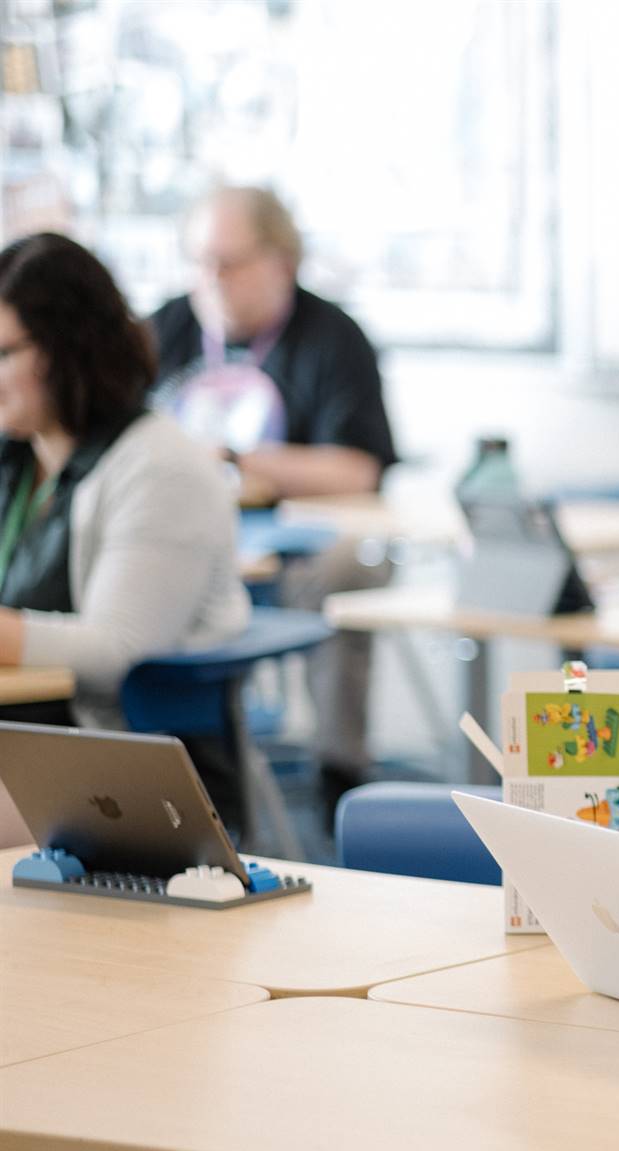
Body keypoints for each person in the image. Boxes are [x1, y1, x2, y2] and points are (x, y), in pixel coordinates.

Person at [150, 186, 400, 807]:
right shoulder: (168, 326)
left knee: (344, 568)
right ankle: (167, 774)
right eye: (200, 262)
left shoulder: (332, 337)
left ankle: (339, 772)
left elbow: (356, 470)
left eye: (229, 264)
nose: (213, 281)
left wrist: (235, 459)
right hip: (187, 534)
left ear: (281, 260)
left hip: (297, 544)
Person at [0, 232, 250, 808]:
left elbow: (117, 652)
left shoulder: (161, 467)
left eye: (5, 352)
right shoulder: (18, 458)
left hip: (115, 781)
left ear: (67, 349)